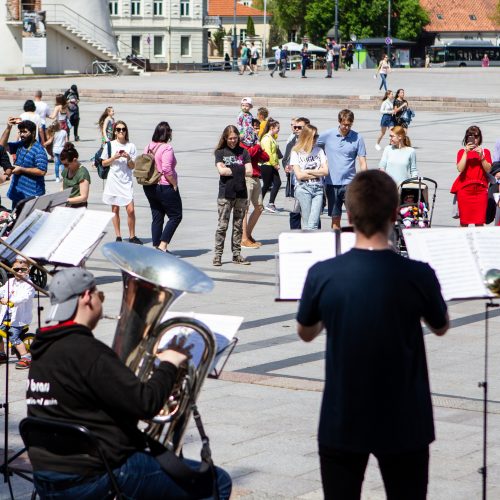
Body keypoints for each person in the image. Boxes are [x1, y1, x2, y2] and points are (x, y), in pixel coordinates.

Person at [297, 169, 449, 500]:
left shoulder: (323, 274)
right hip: (406, 418)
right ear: (396, 213)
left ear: (349, 215)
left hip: (343, 416)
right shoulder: (418, 274)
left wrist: (328, 307)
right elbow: (441, 326)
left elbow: (306, 333)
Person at [26, 267, 232, 499]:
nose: (101, 302)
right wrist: (169, 364)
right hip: (96, 477)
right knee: (216, 482)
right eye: (100, 296)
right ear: (87, 297)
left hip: (49, 478)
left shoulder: (42, 353)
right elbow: (147, 404)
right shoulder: (88, 352)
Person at [317, 109, 367, 229]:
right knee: (335, 217)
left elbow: (362, 161)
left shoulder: (358, 138)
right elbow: (311, 144)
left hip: (350, 184)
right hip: (331, 183)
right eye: (344, 124)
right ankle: (337, 244)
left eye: (349, 125)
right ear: (339, 122)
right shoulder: (328, 135)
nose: (346, 127)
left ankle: (354, 244)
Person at [213, 125, 252, 266]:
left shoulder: (244, 152)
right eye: (230, 138)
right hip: (225, 194)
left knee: (238, 226)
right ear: (225, 138)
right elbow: (221, 172)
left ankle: (236, 254)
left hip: (241, 193)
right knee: (222, 226)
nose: (233, 141)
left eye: (235, 138)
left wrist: (231, 169)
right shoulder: (220, 152)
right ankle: (217, 255)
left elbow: (250, 171)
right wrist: (240, 169)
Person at [142, 121, 182, 253]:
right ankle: (162, 246)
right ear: (168, 133)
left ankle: (156, 246)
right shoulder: (167, 148)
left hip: (149, 186)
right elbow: (166, 169)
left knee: (157, 215)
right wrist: (174, 183)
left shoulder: (148, 146)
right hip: (164, 186)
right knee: (176, 216)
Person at [101, 120, 143, 244]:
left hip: (126, 181)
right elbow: (103, 163)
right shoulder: (109, 145)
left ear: (126, 131)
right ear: (114, 132)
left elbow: (132, 166)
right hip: (113, 180)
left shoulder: (131, 146)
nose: (121, 131)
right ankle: (118, 236)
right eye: (118, 129)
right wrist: (114, 157)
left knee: (130, 210)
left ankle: (132, 236)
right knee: (115, 209)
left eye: (123, 129)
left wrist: (128, 157)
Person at [0, 118, 48, 208]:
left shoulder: (39, 150)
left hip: (32, 195)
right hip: (18, 194)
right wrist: (8, 128)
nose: (22, 134)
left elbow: (42, 171)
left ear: (33, 133)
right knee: (15, 221)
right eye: (20, 132)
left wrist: (22, 169)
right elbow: (1, 147)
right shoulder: (20, 145)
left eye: (25, 132)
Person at [451, 125, 492, 227]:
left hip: (481, 191)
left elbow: (488, 169)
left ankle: (478, 243)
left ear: (480, 138)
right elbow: (460, 168)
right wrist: (466, 152)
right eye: (471, 136)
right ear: (467, 138)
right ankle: (462, 243)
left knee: (479, 222)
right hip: (465, 191)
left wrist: (482, 157)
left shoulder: (485, 152)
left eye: (476, 136)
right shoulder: (461, 152)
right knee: (464, 222)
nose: (474, 139)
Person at [290, 124, 328, 229]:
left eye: (317, 136)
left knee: (314, 223)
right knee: (307, 223)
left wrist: (307, 171)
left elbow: (325, 171)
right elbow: (299, 175)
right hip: (303, 188)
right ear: (307, 137)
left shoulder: (319, 151)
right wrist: (317, 171)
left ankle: (311, 244)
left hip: (318, 189)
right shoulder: (296, 152)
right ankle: (309, 244)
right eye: (314, 136)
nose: (316, 139)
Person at [0, 257, 35, 369]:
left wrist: (11, 302)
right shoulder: (10, 282)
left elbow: (24, 297)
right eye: (17, 269)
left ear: (28, 271)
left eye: (23, 269)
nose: (19, 272)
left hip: (20, 317)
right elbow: (3, 291)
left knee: (13, 335)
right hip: (6, 314)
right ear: (12, 270)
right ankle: (1, 354)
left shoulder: (29, 284)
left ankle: (26, 357)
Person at [240, 121, 269, 248]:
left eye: (257, 129)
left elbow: (266, 157)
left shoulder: (254, 144)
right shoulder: (242, 145)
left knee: (259, 207)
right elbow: (248, 155)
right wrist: (257, 147)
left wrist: (257, 147)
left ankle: (248, 234)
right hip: (246, 178)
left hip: (256, 177)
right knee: (244, 209)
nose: (256, 132)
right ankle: (243, 238)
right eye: (254, 130)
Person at [260, 118, 282, 213]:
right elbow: (268, 153)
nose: (278, 130)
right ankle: (259, 203)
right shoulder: (266, 138)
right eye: (278, 128)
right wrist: (275, 164)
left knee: (276, 183)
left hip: (271, 165)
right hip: (267, 165)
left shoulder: (272, 138)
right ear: (272, 127)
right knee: (267, 184)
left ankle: (270, 203)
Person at [60, 143, 91, 208]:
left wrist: (66, 200)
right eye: (63, 164)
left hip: (78, 208)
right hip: (66, 206)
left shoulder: (82, 173)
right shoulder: (66, 170)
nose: (64, 167)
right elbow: (62, 188)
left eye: (66, 164)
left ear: (75, 160)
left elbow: (84, 197)